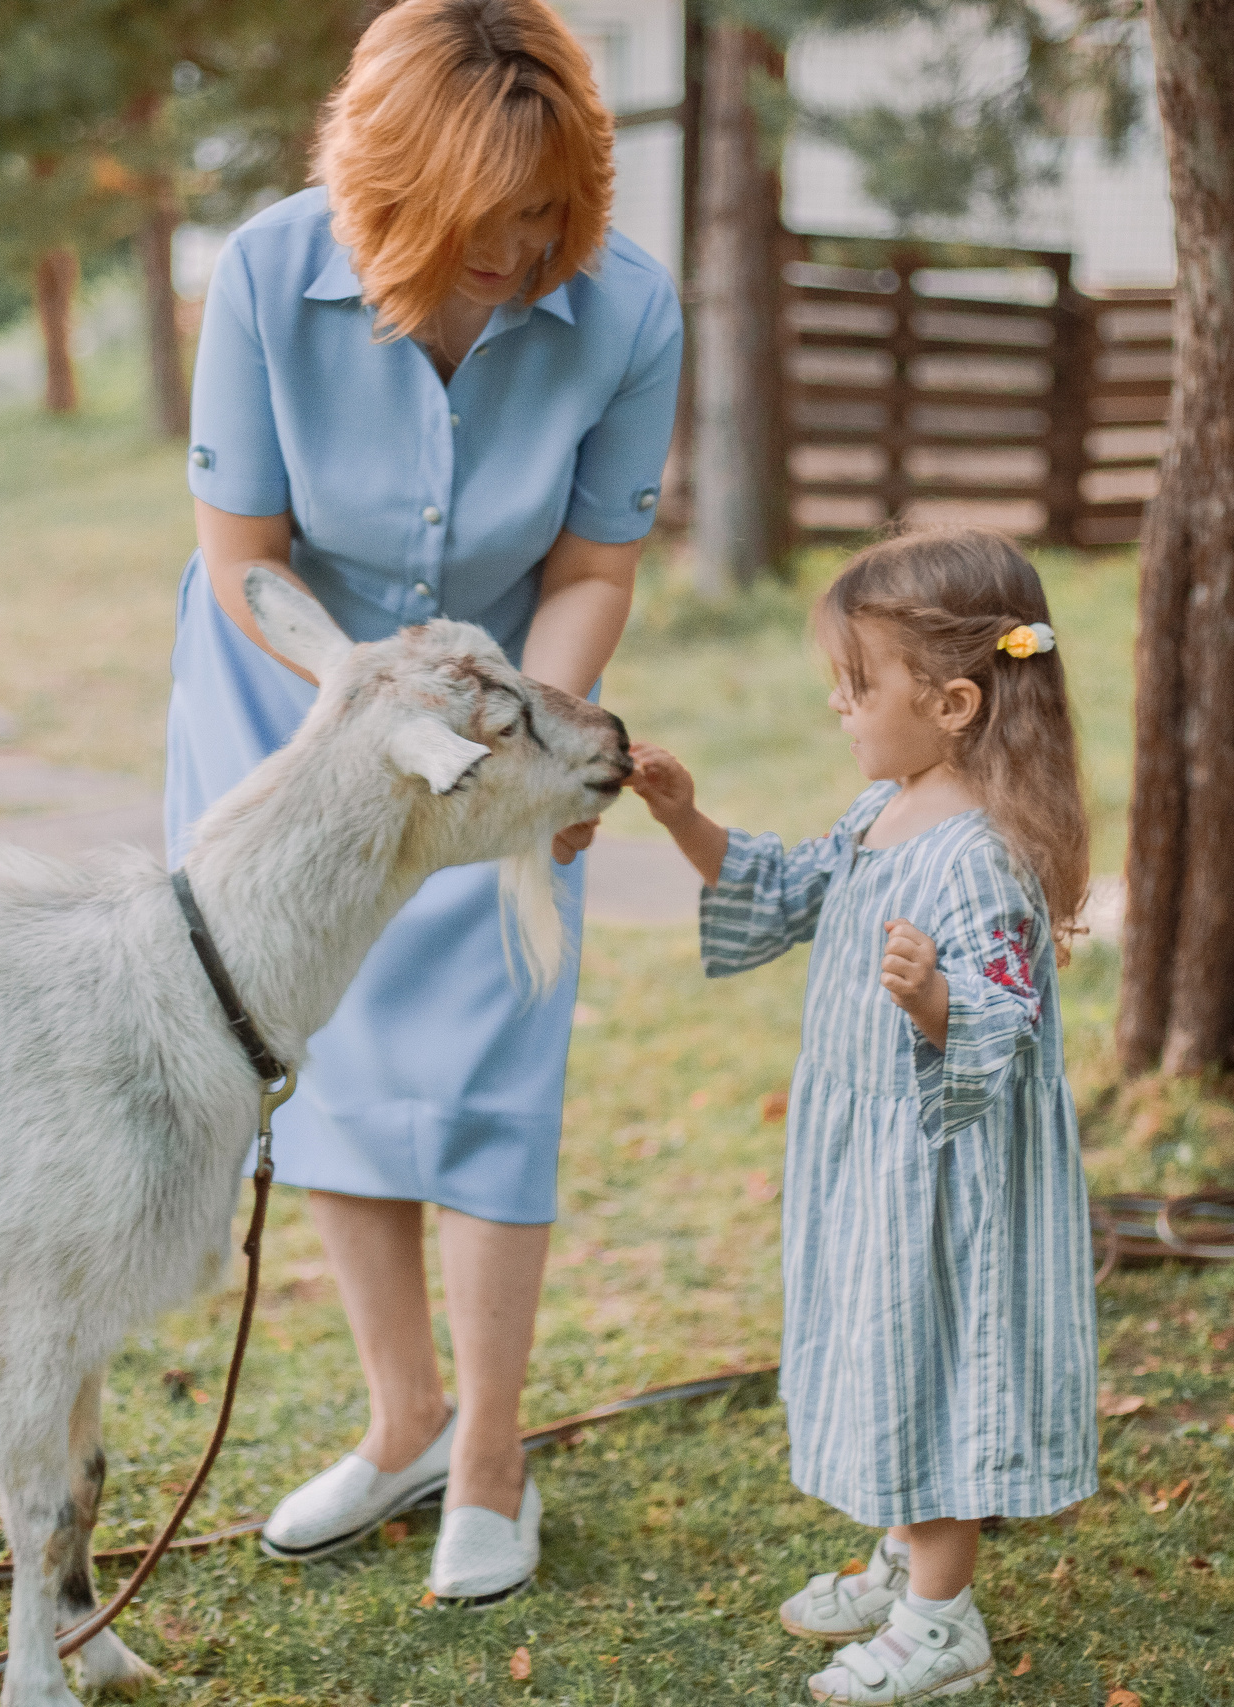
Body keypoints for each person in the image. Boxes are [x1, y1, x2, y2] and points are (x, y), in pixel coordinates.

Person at [165, 0, 681, 1608]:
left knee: (491, 1053)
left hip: (501, 716)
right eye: (484, 226)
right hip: (291, 701)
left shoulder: (630, 310)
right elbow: (243, 554)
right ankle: (399, 1417)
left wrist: (539, 733)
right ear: (388, 192)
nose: (521, 258)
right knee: (321, 1049)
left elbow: (593, 565)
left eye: (549, 221)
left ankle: (489, 1457)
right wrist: (359, 704)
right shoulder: (266, 272)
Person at [626, 530, 1099, 1703]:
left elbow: (1006, 1023)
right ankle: (905, 1559)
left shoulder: (976, 859)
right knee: (881, 1356)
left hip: (942, 1176)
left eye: (857, 687)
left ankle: (943, 1621)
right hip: (871, 1160)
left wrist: (936, 1002)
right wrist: (686, 821)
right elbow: (787, 890)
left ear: (951, 702)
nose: (839, 709)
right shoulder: (883, 807)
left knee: (932, 1366)